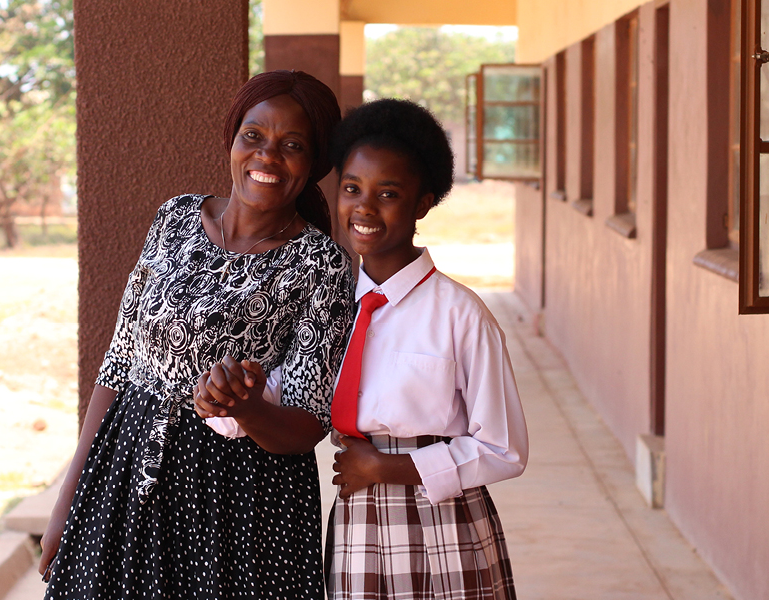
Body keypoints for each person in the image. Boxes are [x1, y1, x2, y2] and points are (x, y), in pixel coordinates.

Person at [38, 70, 355, 600]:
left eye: (292, 145)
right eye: (253, 136)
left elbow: (307, 424)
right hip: (126, 470)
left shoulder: (321, 264)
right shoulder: (175, 217)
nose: (267, 157)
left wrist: (246, 409)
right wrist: (69, 496)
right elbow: (119, 363)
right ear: (233, 138)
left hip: (239, 504)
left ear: (315, 162)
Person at [324, 98, 528, 599]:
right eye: (352, 189)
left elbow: (505, 449)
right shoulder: (327, 308)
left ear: (422, 204)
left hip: (445, 521)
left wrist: (388, 468)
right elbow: (286, 389)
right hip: (359, 518)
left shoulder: (461, 315)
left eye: (388, 193)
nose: (364, 207)